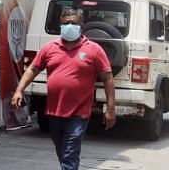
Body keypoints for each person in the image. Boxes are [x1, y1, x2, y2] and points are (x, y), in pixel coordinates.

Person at [12, 9, 115, 170]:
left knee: (69, 153)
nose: (69, 26)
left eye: (73, 23)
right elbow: (32, 69)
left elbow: (108, 78)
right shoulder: (49, 48)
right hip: (54, 112)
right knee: (62, 152)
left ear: (81, 26)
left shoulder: (93, 49)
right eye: (66, 23)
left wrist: (110, 108)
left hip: (79, 113)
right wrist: (19, 90)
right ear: (61, 25)